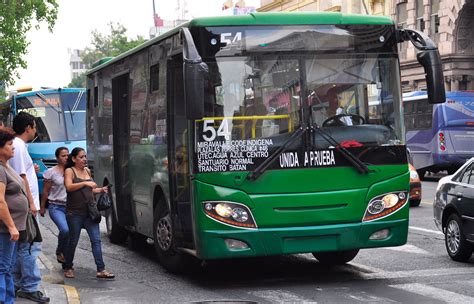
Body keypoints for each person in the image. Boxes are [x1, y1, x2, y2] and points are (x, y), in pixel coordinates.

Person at [8, 112, 49, 303]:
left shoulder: (19, 146)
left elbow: (22, 172)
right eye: (34, 126)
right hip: (25, 206)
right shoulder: (17, 145)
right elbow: (21, 177)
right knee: (31, 245)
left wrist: (32, 168)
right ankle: (30, 286)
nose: (35, 130)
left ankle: (18, 282)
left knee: (22, 246)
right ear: (28, 128)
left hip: (24, 204)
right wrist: (33, 204)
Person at [63, 147, 114, 279]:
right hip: (74, 212)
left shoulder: (86, 170)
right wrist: (86, 183)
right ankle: (68, 266)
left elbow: (90, 190)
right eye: (81, 157)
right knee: (73, 240)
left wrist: (101, 190)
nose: (84, 159)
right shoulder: (70, 171)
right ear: (73, 159)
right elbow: (69, 187)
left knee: (96, 240)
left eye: (85, 156)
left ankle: (101, 269)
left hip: (90, 212)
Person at [0, 127, 28, 304]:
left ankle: (9, 300)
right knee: (2, 268)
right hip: (5, 229)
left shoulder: (6, 166)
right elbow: (0, 201)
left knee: (7, 267)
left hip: (13, 228)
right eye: (10, 144)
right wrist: (10, 226)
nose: (13, 147)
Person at [40, 147, 69, 265]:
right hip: (56, 206)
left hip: (71, 207)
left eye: (68, 155)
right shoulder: (51, 172)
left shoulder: (72, 170)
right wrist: (42, 207)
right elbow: (45, 191)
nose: (66, 157)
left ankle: (67, 262)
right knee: (65, 230)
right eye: (63, 155)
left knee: (71, 234)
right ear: (57, 158)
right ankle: (59, 251)